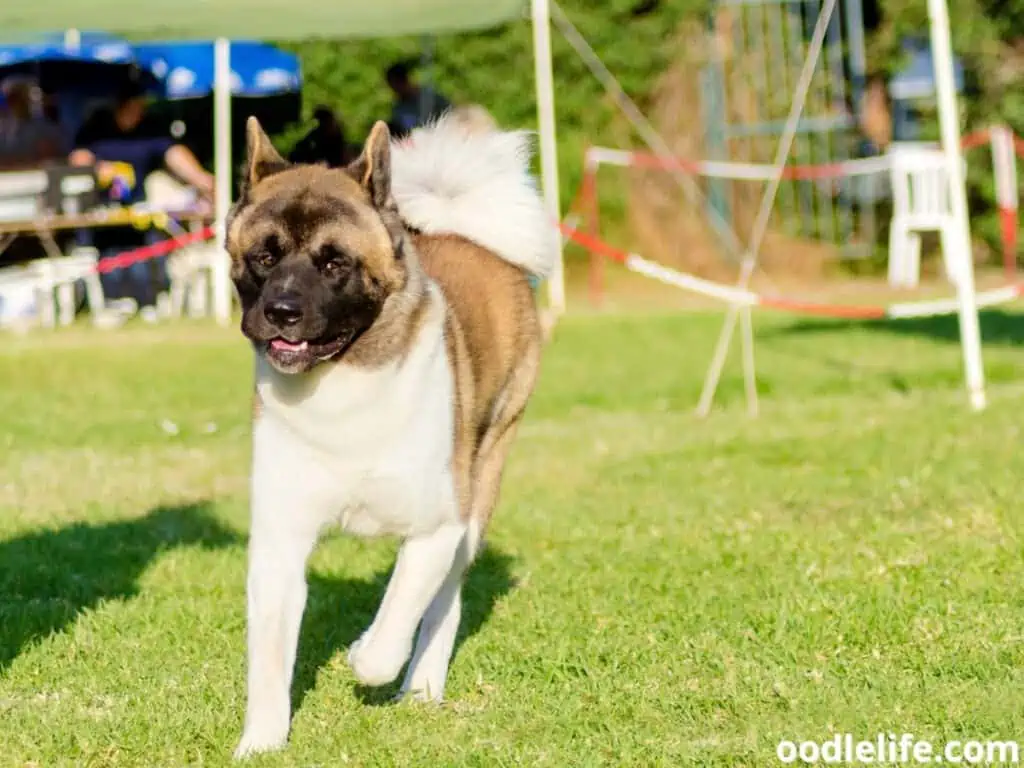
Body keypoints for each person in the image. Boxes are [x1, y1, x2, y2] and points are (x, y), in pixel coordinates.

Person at [70, 79, 215, 321]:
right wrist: (97, 168)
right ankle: (113, 302)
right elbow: (78, 158)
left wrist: (203, 180)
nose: (139, 111)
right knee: (110, 249)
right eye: (135, 106)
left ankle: (149, 301)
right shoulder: (97, 128)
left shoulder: (150, 128)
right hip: (102, 212)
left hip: (140, 211)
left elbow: (174, 154)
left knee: (148, 246)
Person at [0, 77, 64, 170]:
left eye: (18, 97)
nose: (14, 103)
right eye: (10, 98)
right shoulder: (4, 127)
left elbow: (48, 157)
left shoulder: (43, 127)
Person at [385, 59, 451, 138]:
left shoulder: (431, 98)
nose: (394, 90)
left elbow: (451, 115)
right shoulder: (398, 108)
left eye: (395, 85)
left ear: (403, 80)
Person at [288, 105, 356, 168]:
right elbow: (304, 145)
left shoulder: (336, 134)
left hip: (334, 161)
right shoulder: (317, 133)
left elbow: (340, 151)